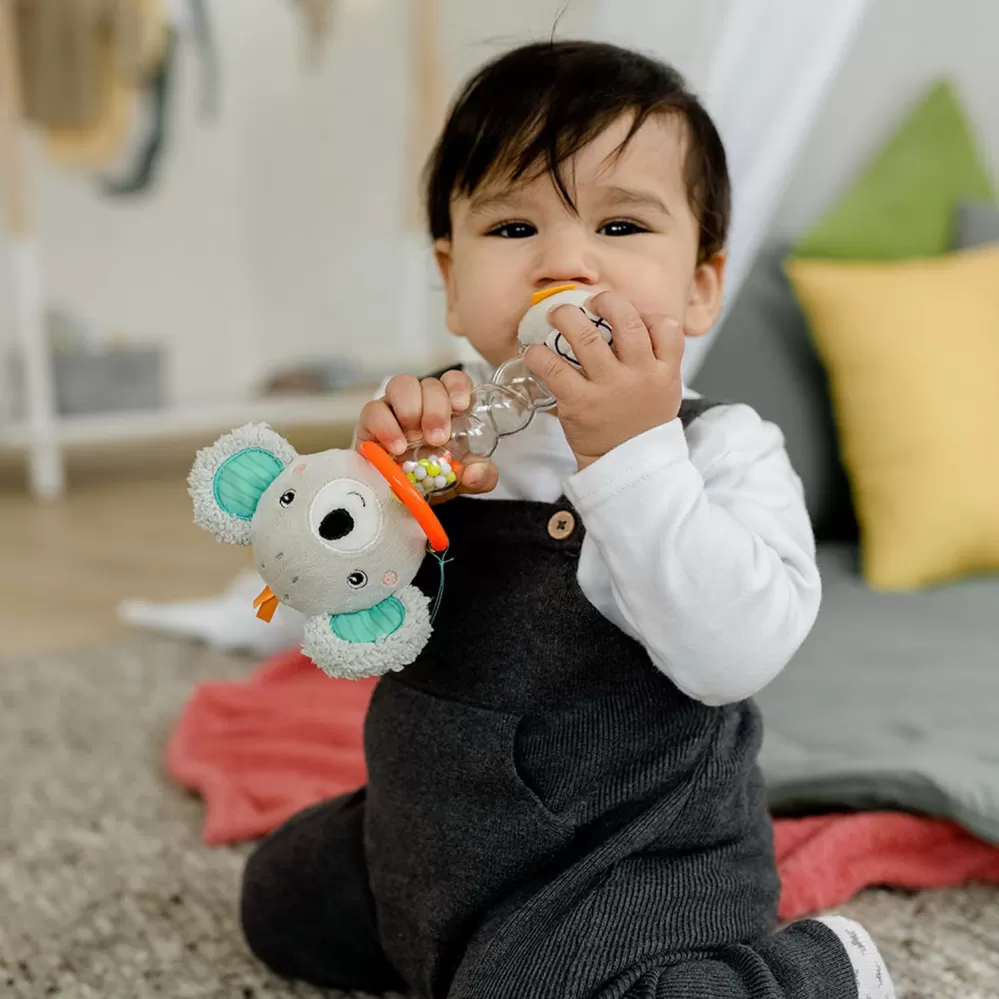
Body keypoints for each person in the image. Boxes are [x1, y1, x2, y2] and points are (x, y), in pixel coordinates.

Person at [239, 40, 895, 999]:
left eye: (620, 224)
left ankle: (818, 971)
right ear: (451, 275)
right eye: (513, 227)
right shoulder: (440, 425)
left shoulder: (722, 449)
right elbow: (350, 614)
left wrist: (631, 453)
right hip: (432, 832)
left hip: (629, 858)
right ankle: (437, 924)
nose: (564, 261)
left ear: (699, 285)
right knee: (277, 900)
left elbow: (733, 657)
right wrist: (377, 498)